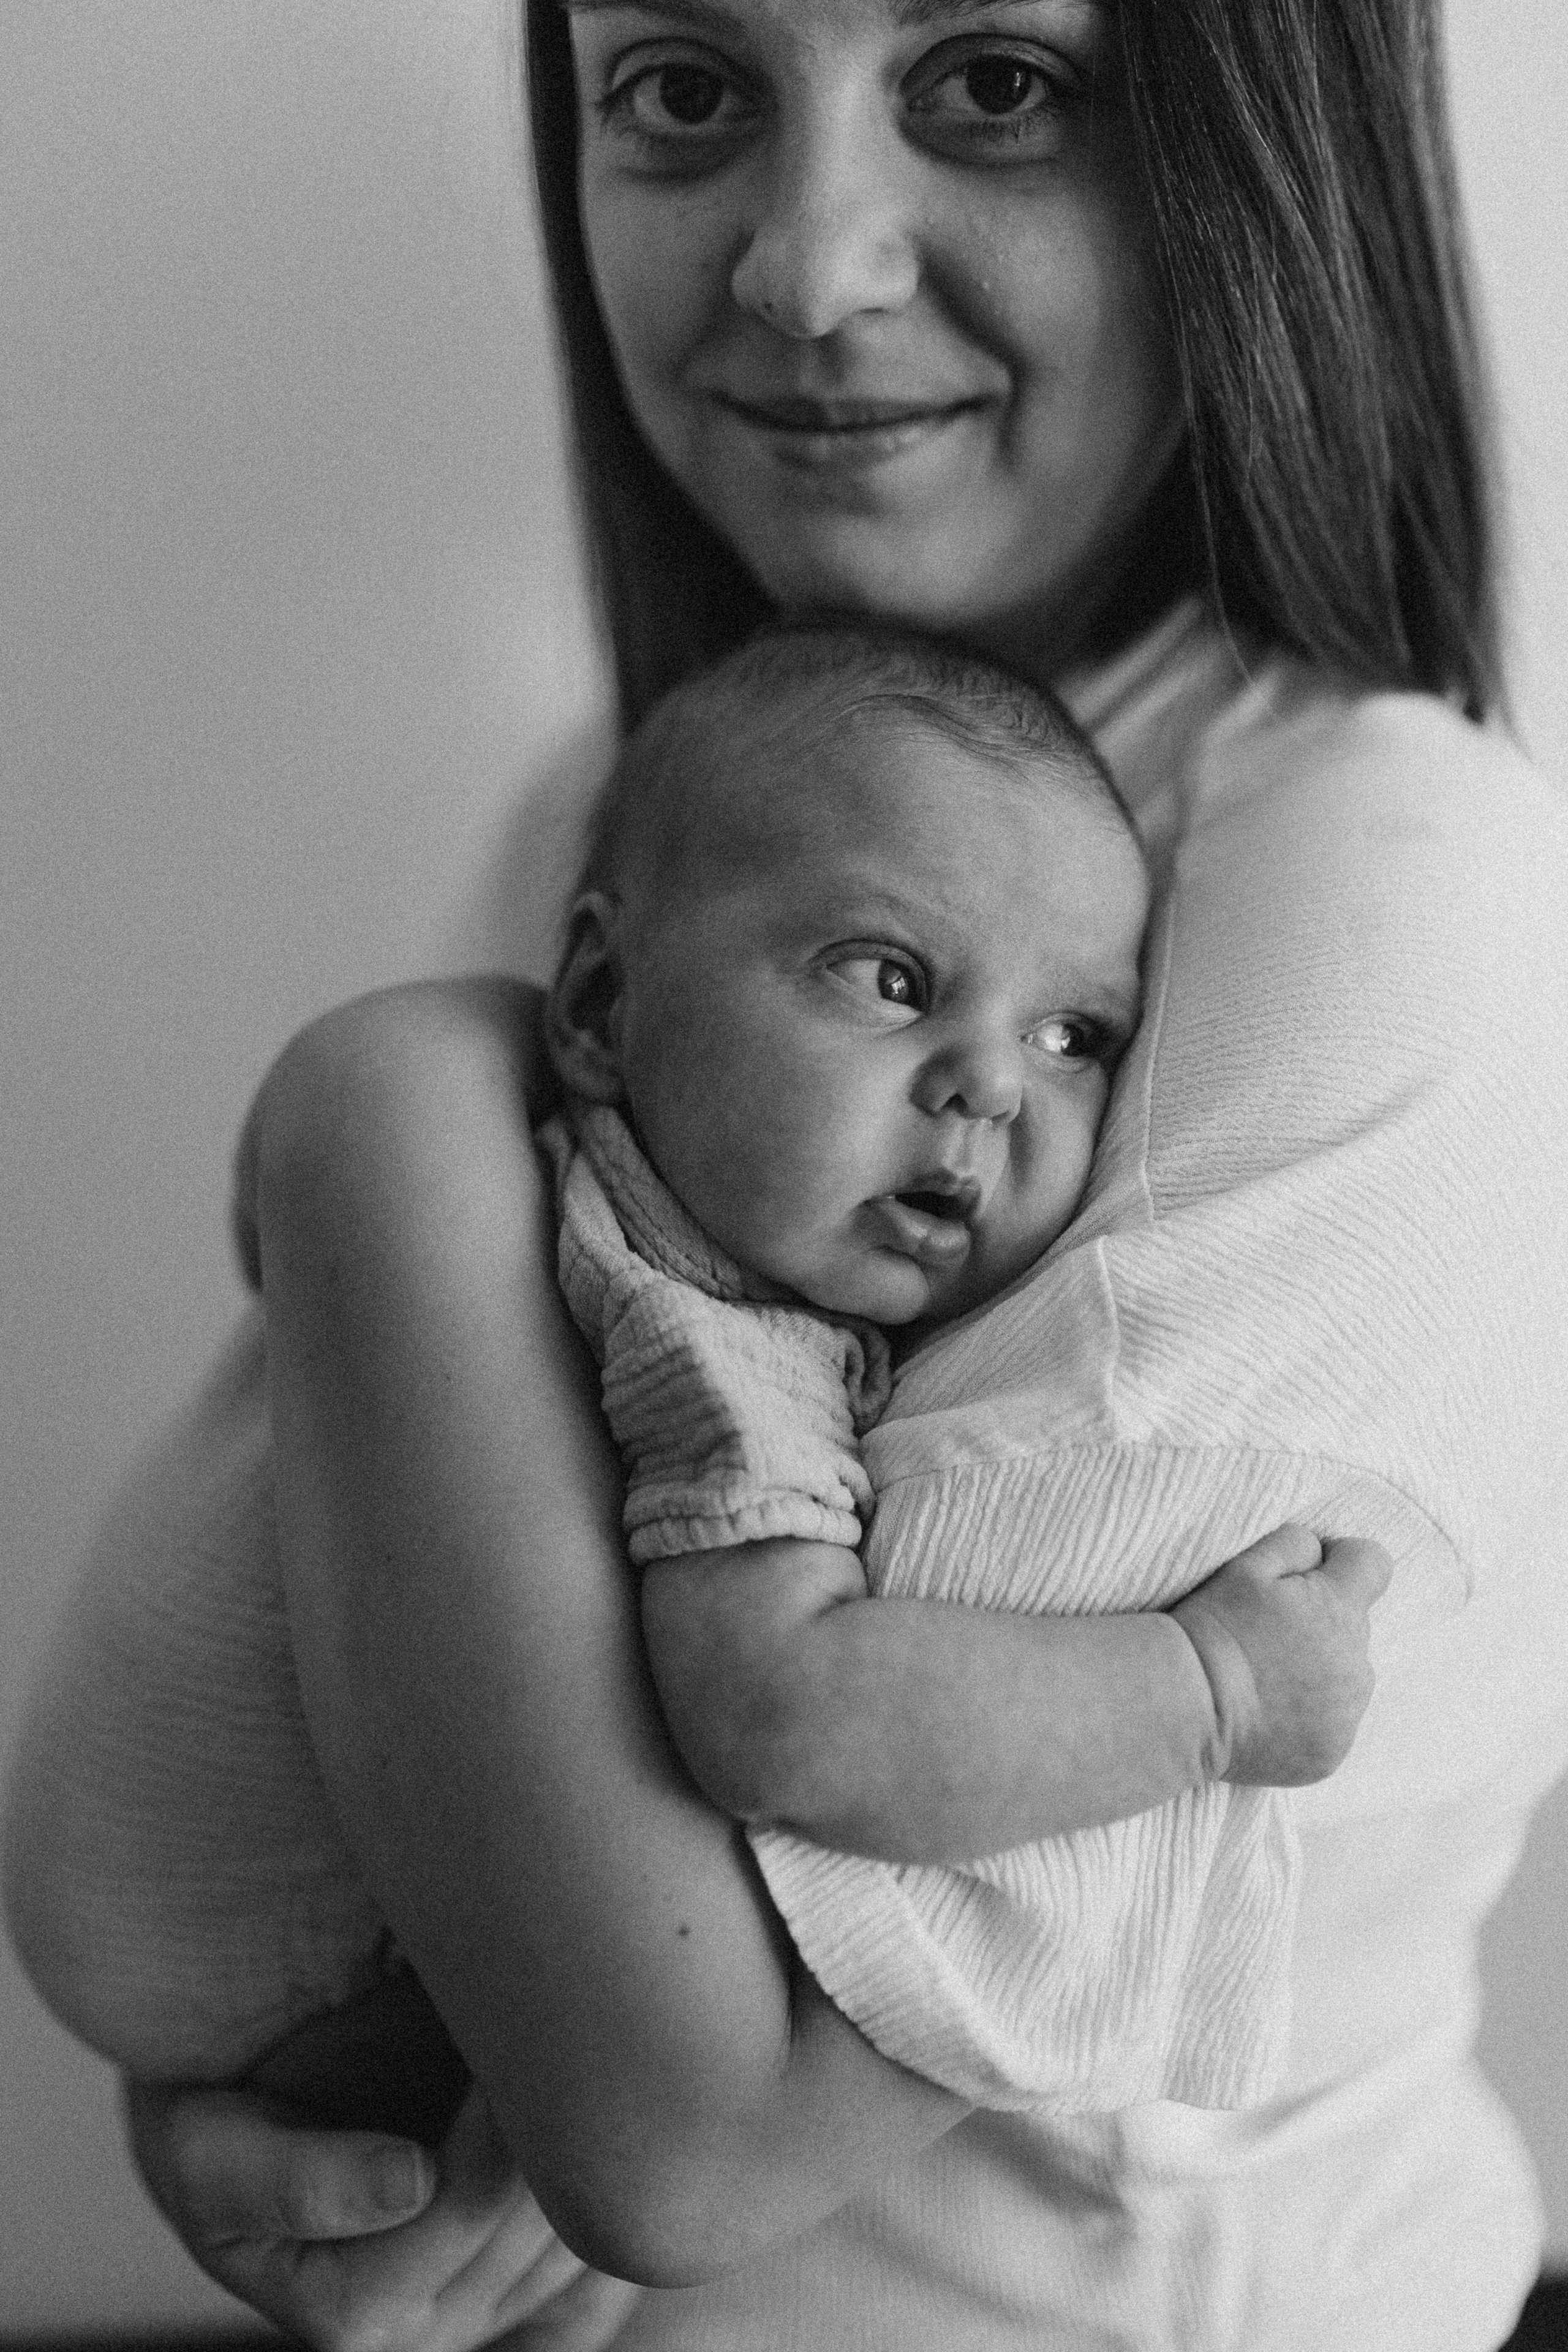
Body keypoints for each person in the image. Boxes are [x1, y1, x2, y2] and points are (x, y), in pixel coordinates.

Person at [13, 0, 1568, 2345]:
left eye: (996, 84)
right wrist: (277, 2074)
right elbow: (409, 1764)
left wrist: (379, 1129)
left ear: (1261, 161)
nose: (806, 268)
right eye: (683, 91)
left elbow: (684, 2127)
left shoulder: (1390, 890)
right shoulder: (639, 811)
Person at [3, 614, 1380, 2122]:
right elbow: (785, 1718)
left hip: (118, 1870)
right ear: (601, 1004)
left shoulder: (500, 1139)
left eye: (1071, 1034)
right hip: (252, 1959)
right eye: (891, 978)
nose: (990, 1083)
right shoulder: (715, 1333)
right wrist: (1210, 1690)